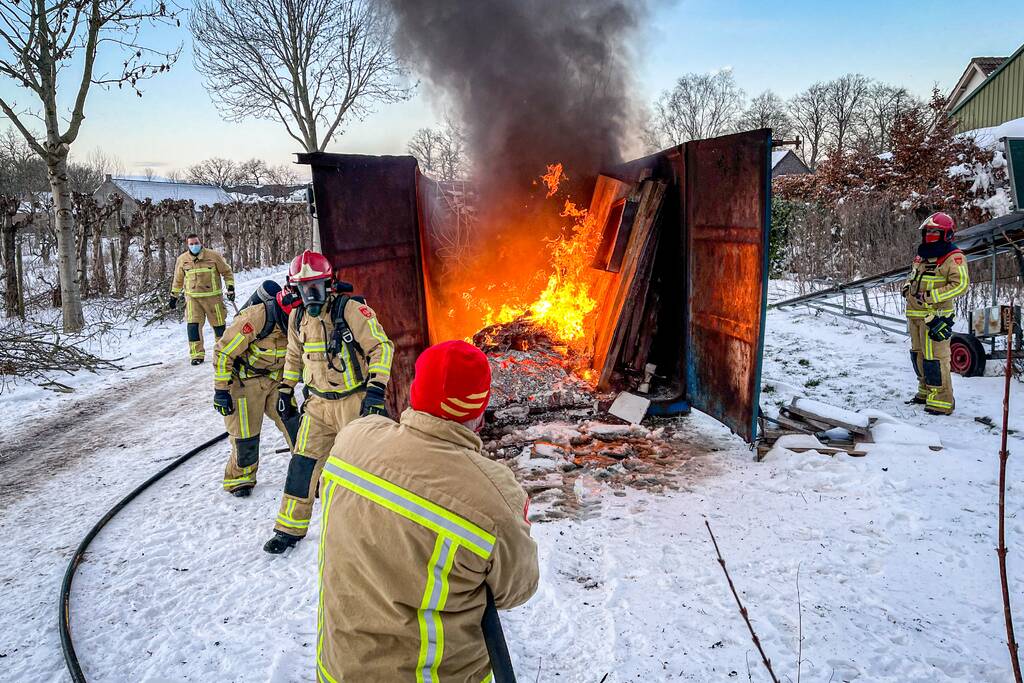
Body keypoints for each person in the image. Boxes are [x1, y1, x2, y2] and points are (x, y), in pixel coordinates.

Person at [316, 340, 539, 682]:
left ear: (414, 391)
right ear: (480, 408)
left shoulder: (352, 440)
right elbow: (516, 590)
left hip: (337, 671)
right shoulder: (494, 497)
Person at [264, 249, 395, 554]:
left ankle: (379, 528)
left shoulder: (351, 311)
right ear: (294, 290)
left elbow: (381, 347)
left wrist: (376, 389)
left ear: (330, 284)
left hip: (354, 402)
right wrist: (285, 389)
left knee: (367, 466)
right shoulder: (297, 318)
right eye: (304, 288)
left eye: (316, 287)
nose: (311, 295)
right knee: (302, 463)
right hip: (317, 406)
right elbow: (294, 356)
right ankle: (289, 529)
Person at [212, 280, 303, 497]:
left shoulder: (302, 319)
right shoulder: (256, 317)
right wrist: (221, 390)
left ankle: (308, 470)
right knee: (246, 437)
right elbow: (224, 352)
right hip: (245, 382)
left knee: (295, 425)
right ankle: (240, 479)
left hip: (277, 380)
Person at [902, 212, 969, 415]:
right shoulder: (921, 255)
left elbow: (961, 285)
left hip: (936, 317)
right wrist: (906, 288)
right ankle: (925, 392)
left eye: (934, 232)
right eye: (927, 232)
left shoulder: (954, 257)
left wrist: (932, 296)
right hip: (915, 315)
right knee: (918, 355)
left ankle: (941, 400)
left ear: (945, 234)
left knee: (935, 358)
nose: (930, 235)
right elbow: (912, 276)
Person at [169, 233, 235, 365]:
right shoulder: (182, 259)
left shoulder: (213, 256)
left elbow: (227, 272)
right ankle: (197, 355)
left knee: (219, 326)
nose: (194, 246)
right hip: (193, 299)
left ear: (201, 243)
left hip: (213, 298)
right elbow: (178, 279)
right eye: (191, 244)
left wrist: (230, 288)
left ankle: (222, 353)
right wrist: (173, 296)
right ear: (187, 245)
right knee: (193, 326)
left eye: (196, 243)